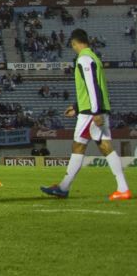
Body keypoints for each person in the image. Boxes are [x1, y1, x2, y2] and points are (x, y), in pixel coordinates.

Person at [41, 29, 131, 201]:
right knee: (104, 147)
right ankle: (122, 188)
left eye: (72, 45)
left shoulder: (83, 58)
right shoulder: (94, 57)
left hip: (91, 112)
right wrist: (77, 106)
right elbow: (94, 86)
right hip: (95, 109)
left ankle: (64, 187)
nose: (73, 48)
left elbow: (91, 85)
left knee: (79, 146)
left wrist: (94, 111)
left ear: (75, 43)